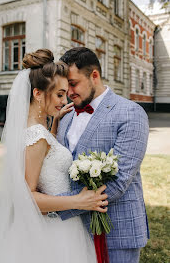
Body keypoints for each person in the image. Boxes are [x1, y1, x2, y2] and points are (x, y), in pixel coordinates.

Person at [0, 49, 108, 263]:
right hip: (54, 233)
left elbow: (46, 160)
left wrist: (54, 124)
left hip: (54, 226)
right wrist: (79, 201)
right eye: (59, 94)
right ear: (38, 94)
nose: (64, 100)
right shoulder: (36, 136)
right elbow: (27, 198)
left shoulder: (37, 132)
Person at [55, 47, 150, 263]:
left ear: (94, 76)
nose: (69, 92)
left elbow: (117, 182)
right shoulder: (67, 115)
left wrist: (53, 207)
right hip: (72, 235)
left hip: (116, 233)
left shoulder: (131, 113)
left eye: (73, 83)